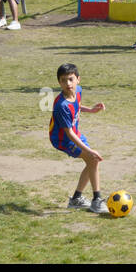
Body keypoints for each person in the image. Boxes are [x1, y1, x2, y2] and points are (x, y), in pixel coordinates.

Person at [49, 63, 107, 213]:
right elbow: (68, 133)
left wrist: (91, 110)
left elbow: (77, 105)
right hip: (62, 139)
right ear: (59, 83)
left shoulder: (78, 91)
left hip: (74, 133)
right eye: (63, 80)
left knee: (92, 161)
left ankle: (77, 199)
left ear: (78, 80)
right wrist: (90, 150)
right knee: (92, 159)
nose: (68, 83)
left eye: (70, 79)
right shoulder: (61, 106)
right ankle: (96, 200)